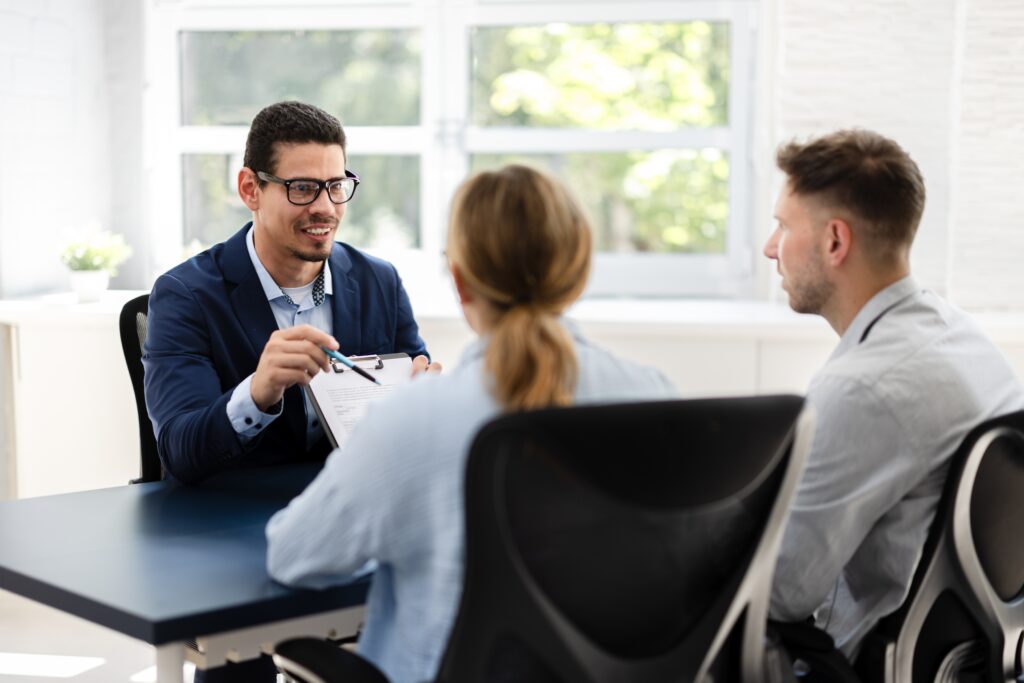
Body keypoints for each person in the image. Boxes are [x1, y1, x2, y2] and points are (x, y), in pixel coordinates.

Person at [265, 164, 677, 683]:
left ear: (459, 281)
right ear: (577, 271)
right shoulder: (654, 398)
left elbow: (293, 555)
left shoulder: (413, 417)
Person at [143, 101, 435, 682]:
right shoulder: (184, 295)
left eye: (336, 185)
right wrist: (256, 392)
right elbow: (179, 449)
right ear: (251, 188)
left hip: (345, 522)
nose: (325, 208)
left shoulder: (378, 280)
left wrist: (425, 398)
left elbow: (409, 395)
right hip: (227, 534)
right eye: (302, 188)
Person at [765, 129, 1024, 663]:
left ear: (835, 242)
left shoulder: (863, 387)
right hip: (968, 652)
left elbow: (783, 593)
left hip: (861, 660)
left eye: (783, 226)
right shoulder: (961, 336)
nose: (770, 248)